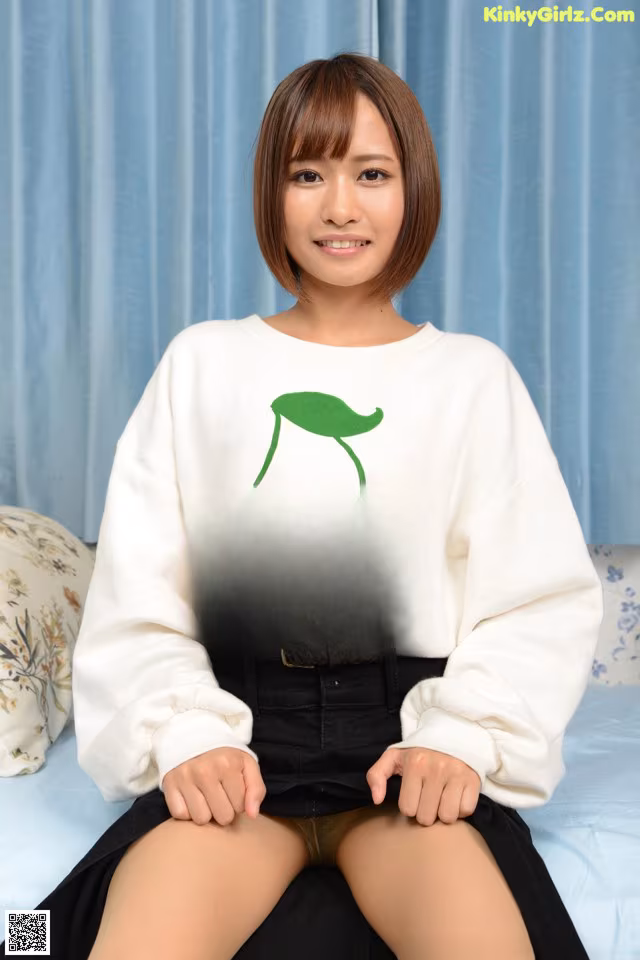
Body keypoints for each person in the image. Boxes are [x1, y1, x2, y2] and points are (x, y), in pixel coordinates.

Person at [1, 52, 603, 960]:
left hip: (407, 754)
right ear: (270, 192)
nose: (339, 207)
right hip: (234, 748)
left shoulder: (474, 379)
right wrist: (187, 737)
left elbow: (535, 599)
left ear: (416, 189)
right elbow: (141, 595)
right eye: (307, 174)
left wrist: (460, 741)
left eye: (371, 174)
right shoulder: (202, 364)